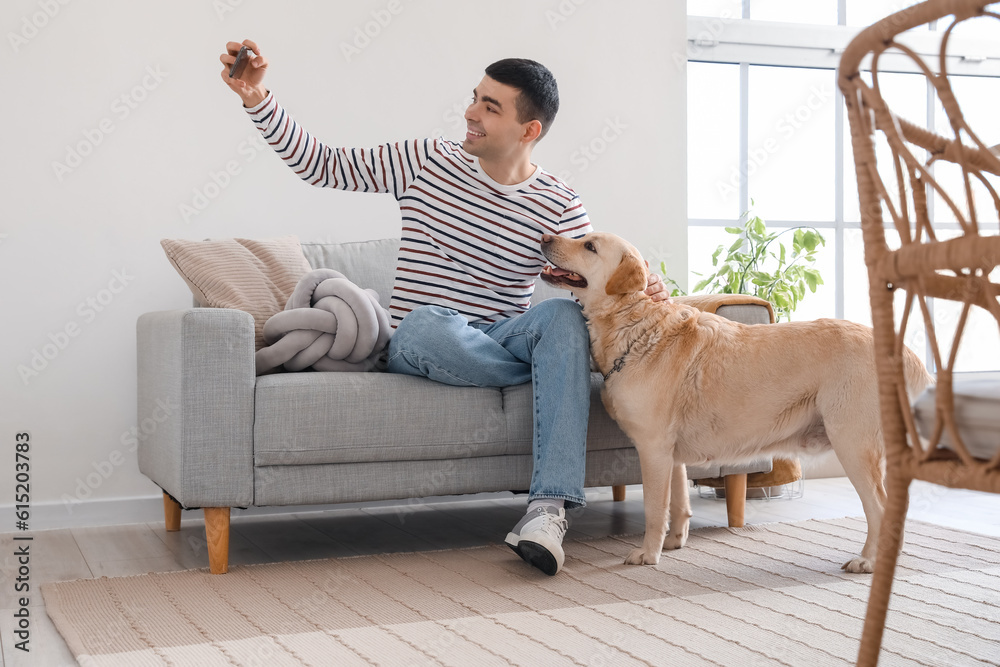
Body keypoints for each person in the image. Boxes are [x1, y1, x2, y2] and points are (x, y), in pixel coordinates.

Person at [219, 40, 668, 575]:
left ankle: (546, 512)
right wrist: (256, 98)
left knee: (563, 318)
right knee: (429, 321)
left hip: (500, 334)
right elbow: (322, 165)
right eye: (475, 98)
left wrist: (647, 287)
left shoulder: (559, 204)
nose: (470, 113)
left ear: (530, 131)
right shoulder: (426, 161)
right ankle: (535, 374)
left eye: (490, 107)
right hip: (423, 339)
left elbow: (596, 278)